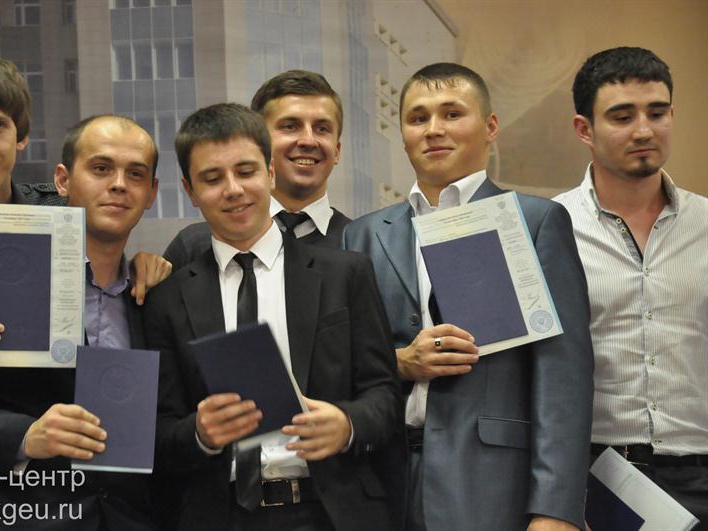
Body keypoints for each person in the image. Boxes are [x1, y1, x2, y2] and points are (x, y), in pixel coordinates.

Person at [342, 63, 594, 531]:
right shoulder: (363, 235)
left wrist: (556, 509)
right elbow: (341, 364)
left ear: (490, 126)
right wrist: (399, 361)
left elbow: (564, 376)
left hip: (491, 485)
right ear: (402, 134)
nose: (434, 129)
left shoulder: (535, 221)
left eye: (452, 113)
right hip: (379, 484)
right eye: (418, 118)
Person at [145, 103, 404, 531]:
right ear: (190, 191)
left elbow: (385, 394)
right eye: (212, 178)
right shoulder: (168, 299)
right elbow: (156, 429)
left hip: (330, 511)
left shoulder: (345, 274)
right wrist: (199, 433)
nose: (233, 190)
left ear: (269, 173)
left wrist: (347, 424)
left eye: (245, 171)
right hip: (220, 515)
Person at [0, 114, 163, 530]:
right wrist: (24, 436)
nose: (119, 184)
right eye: (101, 168)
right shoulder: (7, 274)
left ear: (151, 193)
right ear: (63, 181)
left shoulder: (153, 293)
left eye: (135, 174)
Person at [555, 47, 708, 526]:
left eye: (657, 113)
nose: (644, 130)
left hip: (700, 470)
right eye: (622, 117)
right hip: (595, 476)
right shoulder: (549, 228)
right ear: (584, 129)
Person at [164, 70, 350, 267]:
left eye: (322, 129)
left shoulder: (360, 243)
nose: (308, 141)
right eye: (290, 126)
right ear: (260, 142)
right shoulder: (193, 246)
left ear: (337, 150)